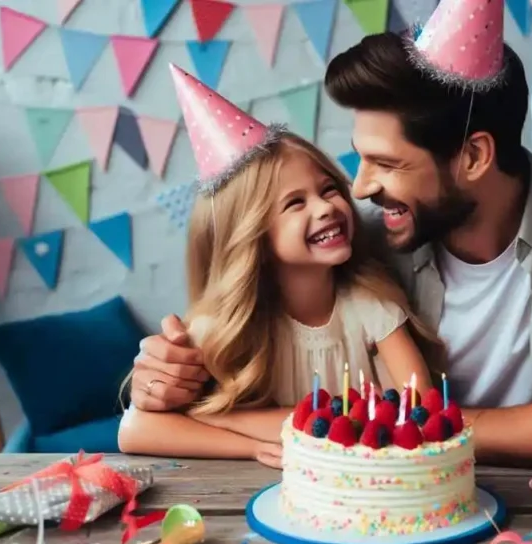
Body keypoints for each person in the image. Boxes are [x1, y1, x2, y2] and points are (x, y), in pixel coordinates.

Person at [128, 0, 532, 476]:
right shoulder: (364, 251)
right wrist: (169, 383)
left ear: (474, 155)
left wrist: (415, 427)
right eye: (357, 160)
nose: (357, 188)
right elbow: (243, 334)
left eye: (385, 163)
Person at [117, 64, 444, 466]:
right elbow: (136, 431)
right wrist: (254, 446)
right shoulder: (223, 331)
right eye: (295, 203)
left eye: (328, 189)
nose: (326, 207)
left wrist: (231, 419)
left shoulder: (369, 306)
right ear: (252, 237)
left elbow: (418, 412)